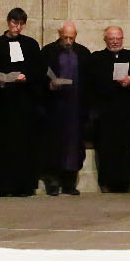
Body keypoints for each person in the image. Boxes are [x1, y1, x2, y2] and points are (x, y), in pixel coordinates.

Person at [0, 7, 43, 196]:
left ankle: (24, 185)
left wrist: (27, 77)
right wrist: (1, 81)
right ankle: (3, 186)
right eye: (14, 23)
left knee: (24, 145)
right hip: (4, 103)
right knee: (5, 144)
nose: (17, 28)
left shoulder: (31, 45)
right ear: (8, 22)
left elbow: (39, 70)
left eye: (20, 24)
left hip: (25, 102)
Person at [89, 26, 130, 192]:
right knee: (106, 148)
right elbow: (95, 83)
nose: (115, 41)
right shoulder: (97, 58)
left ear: (123, 38)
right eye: (111, 38)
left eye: (117, 38)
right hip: (106, 113)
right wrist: (114, 82)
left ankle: (124, 183)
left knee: (125, 149)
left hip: (127, 112)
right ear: (105, 40)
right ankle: (106, 183)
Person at [39, 21, 93, 195]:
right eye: (65, 38)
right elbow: (39, 77)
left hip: (76, 108)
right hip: (54, 108)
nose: (68, 41)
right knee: (54, 144)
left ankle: (69, 183)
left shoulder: (83, 53)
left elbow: (88, 81)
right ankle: (53, 181)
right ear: (59, 34)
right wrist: (49, 85)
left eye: (71, 38)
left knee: (73, 146)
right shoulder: (48, 52)